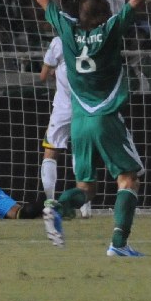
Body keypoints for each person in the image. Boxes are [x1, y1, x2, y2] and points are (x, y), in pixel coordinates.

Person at [6, 0, 151, 255]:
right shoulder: (110, 31)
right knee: (127, 179)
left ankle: (57, 206)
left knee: (86, 187)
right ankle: (119, 244)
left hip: (79, 122)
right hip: (106, 117)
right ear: (103, 15)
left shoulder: (67, 32)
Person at [39, 36, 91, 220]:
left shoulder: (59, 41)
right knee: (81, 154)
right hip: (87, 106)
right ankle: (85, 207)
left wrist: (55, 72)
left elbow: (43, 76)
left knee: (51, 152)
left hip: (63, 109)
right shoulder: (96, 37)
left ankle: (50, 202)